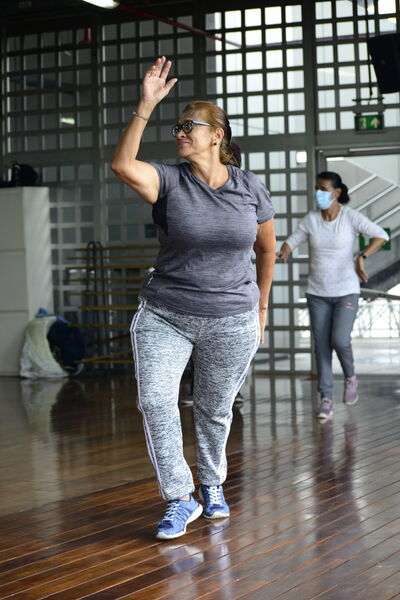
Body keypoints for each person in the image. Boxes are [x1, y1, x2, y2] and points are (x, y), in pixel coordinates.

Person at [111, 57, 276, 540]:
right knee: (156, 402)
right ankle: (180, 498)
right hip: (166, 314)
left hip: (233, 316)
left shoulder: (250, 188)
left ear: (216, 134)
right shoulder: (167, 180)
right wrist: (146, 104)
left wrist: (261, 308)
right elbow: (122, 164)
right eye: (177, 125)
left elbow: (266, 249)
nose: (179, 132)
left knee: (214, 409)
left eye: (189, 125)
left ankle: (211, 484)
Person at [276, 171, 389, 420]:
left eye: (323, 189)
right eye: (317, 188)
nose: (318, 193)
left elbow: (382, 235)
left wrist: (362, 256)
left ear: (336, 193)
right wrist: (284, 251)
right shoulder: (311, 220)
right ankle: (326, 398)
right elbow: (294, 239)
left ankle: (350, 377)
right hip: (317, 293)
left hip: (346, 291)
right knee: (322, 347)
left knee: (339, 339)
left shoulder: (349, 217)